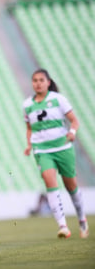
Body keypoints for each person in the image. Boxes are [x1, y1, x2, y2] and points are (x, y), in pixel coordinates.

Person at [23, 68, 89, 239]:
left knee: (71, 186)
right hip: (42, 150)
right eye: (35, 80)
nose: (38, 83)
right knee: (50, 183)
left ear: (48, 82)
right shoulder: (27, 105)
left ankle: (82, 219)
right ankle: (62, 226)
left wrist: (72, 133)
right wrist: (29, 145)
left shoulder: (58, 100)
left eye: (41, 80)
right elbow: (29, 128)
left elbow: (74, 121)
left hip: (63, 148)